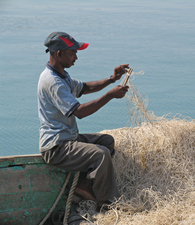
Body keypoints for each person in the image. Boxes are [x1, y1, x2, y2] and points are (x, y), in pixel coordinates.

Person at [37, 31, 129, 207]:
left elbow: (85, 87)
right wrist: (110, 95)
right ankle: (107, 203)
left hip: (68, 139)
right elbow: (79, 111)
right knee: (101, 155)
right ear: (59, 54)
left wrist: (112, 79)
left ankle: (84, 187)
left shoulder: (62, 75)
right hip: (56, 147)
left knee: (107, 142)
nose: (76, 57)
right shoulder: (53, 82)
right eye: (73, 53)